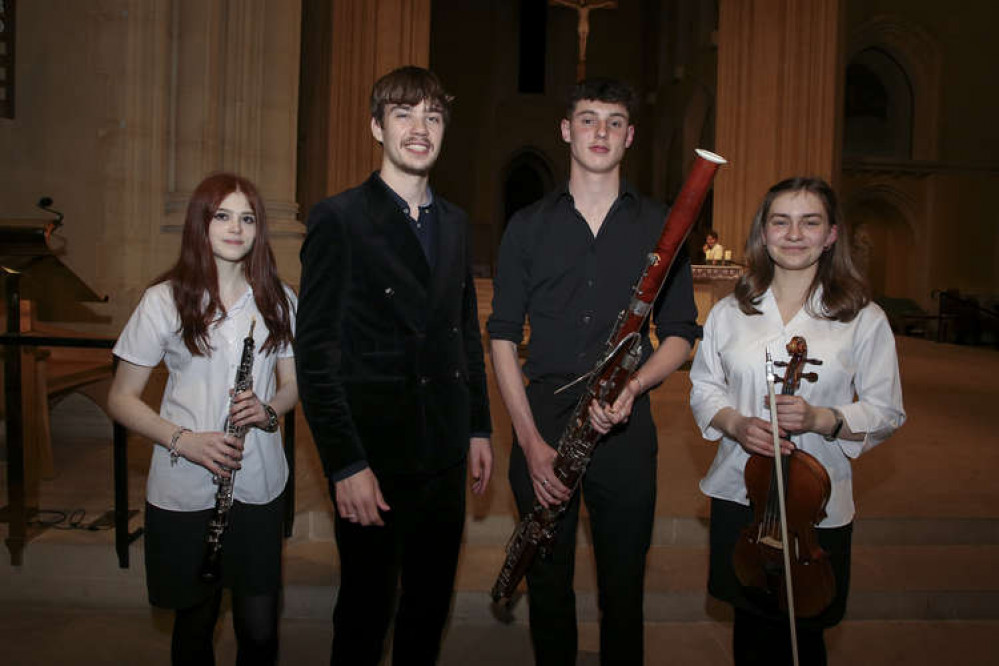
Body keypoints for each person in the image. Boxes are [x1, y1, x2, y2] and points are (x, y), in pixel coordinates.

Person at [488, 78, 700, 666]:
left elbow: (681, 333)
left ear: (629, 136)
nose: (600, 131)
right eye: (587, 119)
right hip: (545, 420)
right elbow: (502, 337)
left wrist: (633, 385)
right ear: (566, 130)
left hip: (626, 426)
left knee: (623, 595)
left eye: (613, 121)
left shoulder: (663, 226)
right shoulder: (528, 225)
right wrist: (529, 443)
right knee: (549, 591)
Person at [294, 66, 493, 666]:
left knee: (427, 610)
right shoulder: (341, 219)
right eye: (404, 114)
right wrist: (345, 463)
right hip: (373, 459)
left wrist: (479, 426)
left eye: (432, 116)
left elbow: (465, 333)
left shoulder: (455, 223)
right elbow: (317, 355)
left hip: (444, 452)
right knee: (365, 611)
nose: (419, 128)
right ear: (376, 127)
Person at [689, 177, 906, 665]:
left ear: (831, 234)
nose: (793, 234)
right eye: (780, 221)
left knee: (804, 639)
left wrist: (823, 417)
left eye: (810, 222)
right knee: (748, 630)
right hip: (740, 493)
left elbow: (886, 410)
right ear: (763, 233)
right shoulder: (730, 311)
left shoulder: (862, 318)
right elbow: (704, 387)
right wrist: (734, 424)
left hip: (814, 502)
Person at [108, 172, 298, 666]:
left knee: (259, 631)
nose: (236, 228)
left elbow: (295, 384)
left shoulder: (278, 298)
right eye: (223, 216)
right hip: (186, 487)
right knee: (195, 628)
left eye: (247, 218)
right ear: (202, 223)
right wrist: (184, 441)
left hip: (257, 483)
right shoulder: (163, 301)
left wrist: (269, 408)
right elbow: (122, 398)